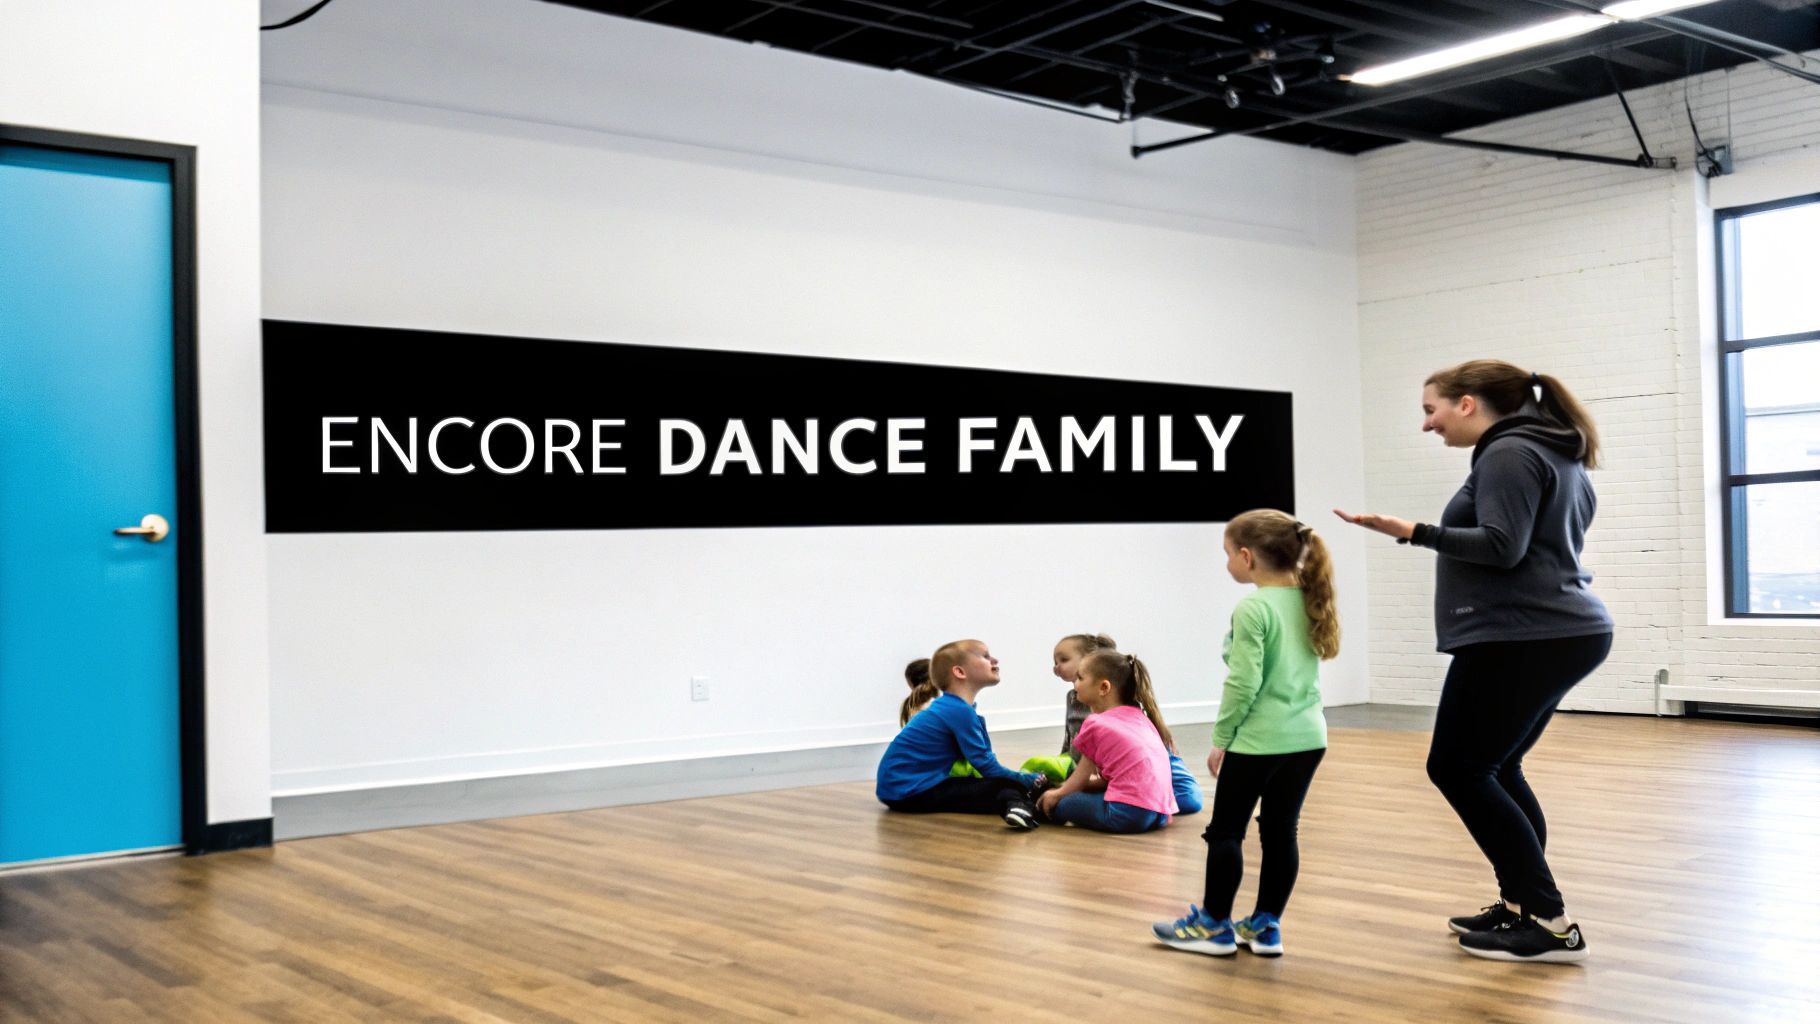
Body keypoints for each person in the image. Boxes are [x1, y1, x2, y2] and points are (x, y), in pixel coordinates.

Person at [1335, 359, 1611, 964]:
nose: (1427, 425)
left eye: (1431, 409)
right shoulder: (1551, 448)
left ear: (1467, 403)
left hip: (1525, 635)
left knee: (1459, 768)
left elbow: (1502, 547)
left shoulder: (1507, 452)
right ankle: (1520, 907)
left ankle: (1550, 921)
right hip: (1554, 631)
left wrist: (1413, 530)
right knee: (1498, 768)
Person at [1153, 509, 1338, 959]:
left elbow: (1243, 683)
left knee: (1226, 832)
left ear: (1246, 556)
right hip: (1308, 737)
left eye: (1226, 555)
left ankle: (1214, 926)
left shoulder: (1253, 607)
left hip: (1259, 739)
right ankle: (1265, 926)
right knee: (1281, 833)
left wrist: (1222, 737)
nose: (1227, 564)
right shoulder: (1308, 596)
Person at [876, 640, 1045, 830]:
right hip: (909, 792)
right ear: (960, 672)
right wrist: (1027, 779)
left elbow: (981, 759)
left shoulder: (955, 708)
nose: (995, 660)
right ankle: (1024, 807)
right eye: (986, 656)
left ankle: (1026, 803)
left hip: (900, 789)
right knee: (1002, 785)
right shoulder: (958, 710)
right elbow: (987, 766)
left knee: (994, 784)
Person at [1041, 633, 1203, 815]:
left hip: (1162, 788)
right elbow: (1073, 741)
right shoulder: (1083, 700)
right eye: (1055, 661)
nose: (1056, 667)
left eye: (1064, 660)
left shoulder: (1110, 712)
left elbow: (1091, 766)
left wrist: (1064, 789)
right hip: (1151, 795)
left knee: (1070, 800)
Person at [1034, 649, 1177, 833]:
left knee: (1064, 802)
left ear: (1104, 688)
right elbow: (1115, 778)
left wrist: (1056, 793)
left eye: (1080, 678)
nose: (1075, 684)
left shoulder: (1096, 723)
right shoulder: (1139, 718)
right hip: (1160, 814)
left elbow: (1080, 778)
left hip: (1128, 814)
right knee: (1077, 791)